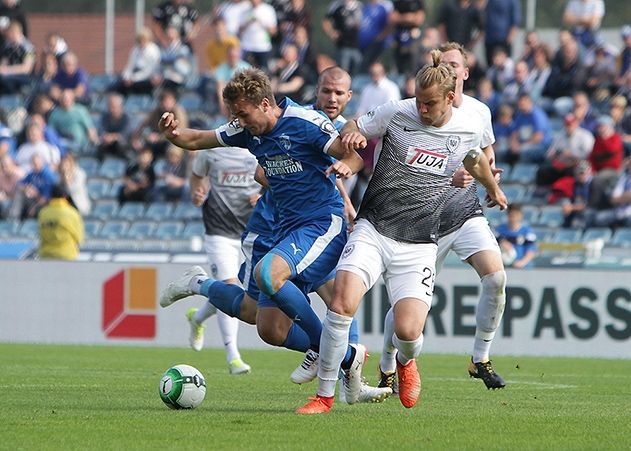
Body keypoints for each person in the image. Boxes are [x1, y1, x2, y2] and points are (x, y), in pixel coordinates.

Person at [158, 68, 389, 403]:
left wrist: (347, 168)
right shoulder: (246, 130)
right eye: (235, 114)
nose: (238, 120)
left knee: (286, 279)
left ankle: (341, 358)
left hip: (321, 224)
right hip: (283, 230)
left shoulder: (306, 122)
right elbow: (195, 139)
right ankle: (342, 360)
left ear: (265, 104)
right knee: (269, 327)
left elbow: (351, 155)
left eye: (242, 113)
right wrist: (172, 134)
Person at [297, 51, 507, 414]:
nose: (422, 110)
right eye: (419, 101)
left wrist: (494, 188)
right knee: (342, 301)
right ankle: (324, 396)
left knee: (408, 333)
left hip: (420, 241)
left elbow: (474, 158)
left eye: (429, 104)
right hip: (374, 226)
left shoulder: (468, 126)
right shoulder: (398, 111)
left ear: (450, 99)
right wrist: (352, 140)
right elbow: (353, 125)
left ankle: (406, 362)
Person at [379, 42, 509, 393]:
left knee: (496, 277)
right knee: (406, 306)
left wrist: (490, 175)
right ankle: (388, 362)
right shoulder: (416, 112)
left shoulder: (479, 112)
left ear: (465, 73)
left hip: (464, 211)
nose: (449, 70)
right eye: (444, 64)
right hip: (425, 217)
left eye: (456, 65)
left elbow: (484, 151)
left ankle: (479, 358)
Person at [185, 143, 260, 374]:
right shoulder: (212, 148)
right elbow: (197, 176)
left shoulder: (258, 146)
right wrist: (197, 194)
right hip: (219, 231)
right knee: (230, 286)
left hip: (252, 231)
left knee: (243, 296)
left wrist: (262, 196)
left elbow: (274, 182)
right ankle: (233, 356)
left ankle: (197, 318)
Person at [38, 184, 83, 260]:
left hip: (46, 254)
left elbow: (40, 233)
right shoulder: (72, 212)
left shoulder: (43, 212)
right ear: (65, 196)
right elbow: (78, 236)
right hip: (66, 254)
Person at [114, 27, 161, 97]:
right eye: (140, 40)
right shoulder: (135, 50)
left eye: (144, 40)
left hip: (147, 77)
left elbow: (148, 71)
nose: (142, 42)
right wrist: (126, 77)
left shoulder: (153, 50)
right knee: (119, 84)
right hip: (135, 75)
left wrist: (133, 78)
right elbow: (129, 66)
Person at [322, 0, 362, 75]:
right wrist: (331, 33)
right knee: (343, 72)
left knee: (358, 71)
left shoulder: (359, 6)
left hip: (357, 45)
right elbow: (326, 21)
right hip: (343, 45)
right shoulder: (336, 5)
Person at [494, 203, 537, 268]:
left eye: (516, 215)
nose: (513, 218)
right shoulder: (499, 231)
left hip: (523, 268)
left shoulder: (527, 231)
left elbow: (531, 250)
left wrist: (522, 262)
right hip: (504, 267)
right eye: (511, 215)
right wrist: (501, 243)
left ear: (521, 215)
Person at [0, 20, 35, 95]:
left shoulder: (29, 48)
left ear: (16, 33)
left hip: (24, 77)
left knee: (4, 79)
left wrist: (7, 70)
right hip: (9, 75)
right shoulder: (8, 46)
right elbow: (4, 63)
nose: (8, 36)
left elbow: (26, 69)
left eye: (10, 33)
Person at [482, 0, 521, 67]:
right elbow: (480, 9)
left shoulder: (512, 1)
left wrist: (509, 38)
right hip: (490, 40)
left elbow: (515, 21)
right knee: (491, 67)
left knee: (505, 66)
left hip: (503, 40)